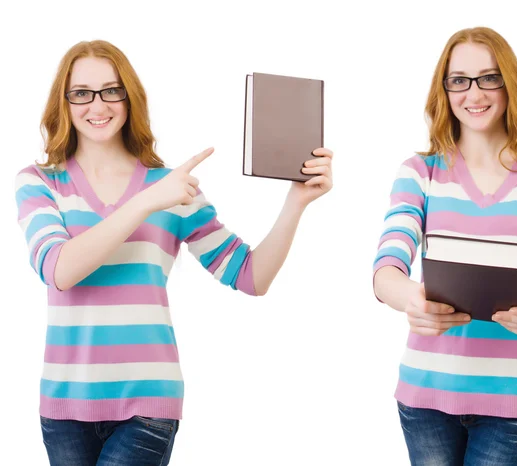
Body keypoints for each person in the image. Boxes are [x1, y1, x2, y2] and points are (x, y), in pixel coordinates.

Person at [15, 40, 333, 466]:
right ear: (64, 102)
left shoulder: (173, 188)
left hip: (148, 404)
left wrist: (296, 202)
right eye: (82, 93)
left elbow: (250, 276)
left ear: (130, 98)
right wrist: (146, 200)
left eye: (112, 90)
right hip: (64, 405)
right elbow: (59, 269)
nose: (98, 104)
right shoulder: (39, 182)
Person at [372, 27, 517, 465]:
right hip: (426, 396)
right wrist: (413, 299)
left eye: (489, 78)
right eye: (459, 80)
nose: (474, 93)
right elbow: (388, 265)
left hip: (509, 402)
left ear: (510, 84)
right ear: (444, 91)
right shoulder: (419, 173)